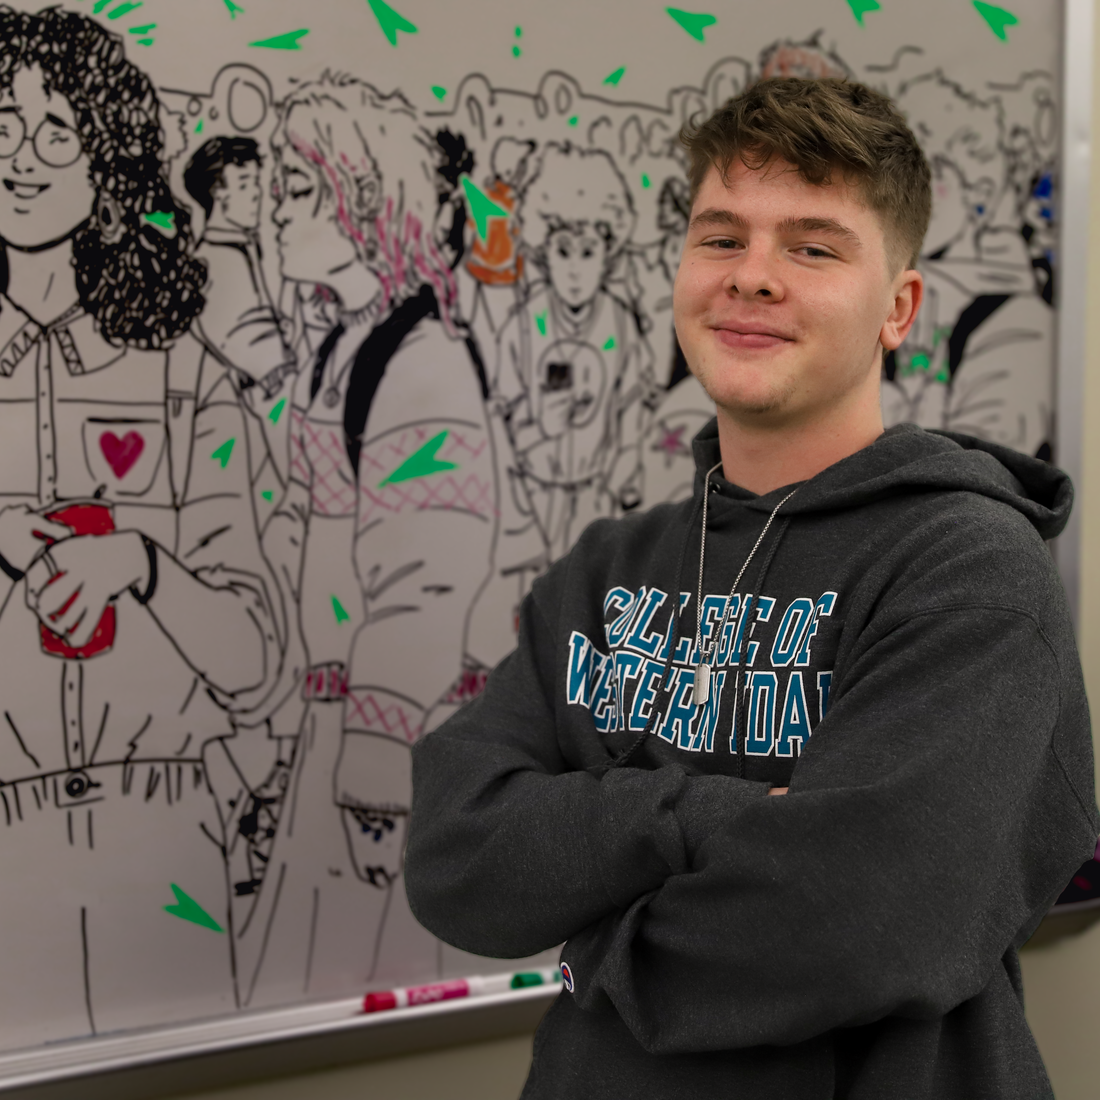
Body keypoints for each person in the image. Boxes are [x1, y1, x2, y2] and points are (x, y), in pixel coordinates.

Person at [405, 77, 1098, 1098]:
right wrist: (697, 815)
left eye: (811, 247)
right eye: (721, 237)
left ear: (896, 307)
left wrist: (590, 939)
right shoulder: (605, 571)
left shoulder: (968, 572)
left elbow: (860, 922)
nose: (752, 277)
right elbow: (454, 851)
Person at [0, 6, 279, 1045]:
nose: (20, 158)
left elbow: (256, 657)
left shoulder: (183, 375)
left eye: (54, 130)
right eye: (0, 125)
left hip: (164, 833)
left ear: (107, 156)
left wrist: (144, 564)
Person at [241, 73, 495, 1005]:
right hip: (333, 717)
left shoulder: (419, 360)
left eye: (296, 191)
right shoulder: (342, 345)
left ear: (359, 201)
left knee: (361, 980)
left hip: (391, 746)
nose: (273, 214)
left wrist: (376, 772)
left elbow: (429, 575)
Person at [183, 135, 296, 518]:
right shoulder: (212, 265)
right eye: (246, 186)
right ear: (218, 193)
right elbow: (256, 351)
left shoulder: (241, 250)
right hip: (254, 424)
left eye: (257, 185)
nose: (258, 198)